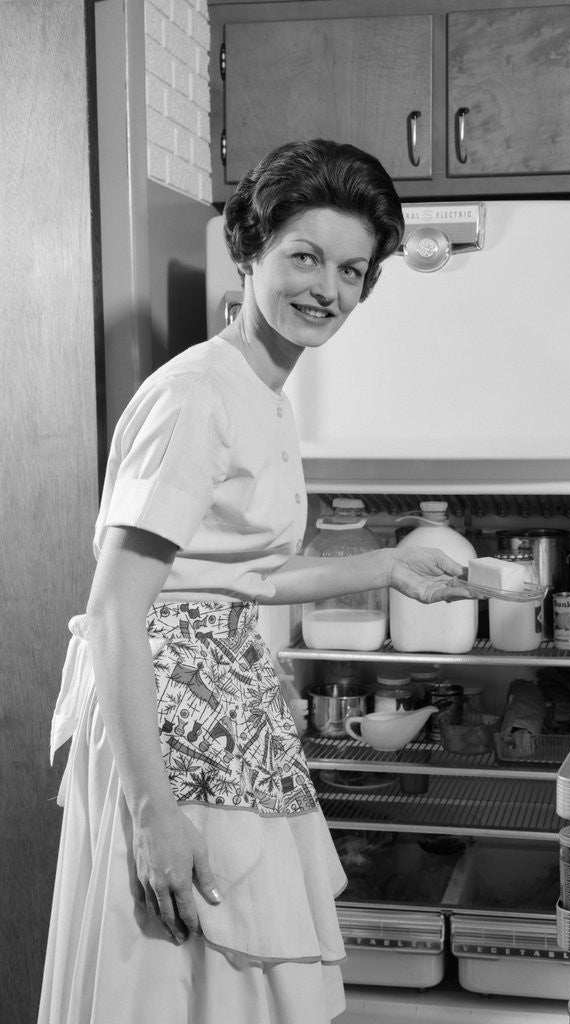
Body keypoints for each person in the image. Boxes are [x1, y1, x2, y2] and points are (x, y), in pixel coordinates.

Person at [39, 139, 469, 1024]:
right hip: (164, 722)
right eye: (303, 257)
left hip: (221, 705)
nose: (328, 289)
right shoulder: (197, 396)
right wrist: (153, 815)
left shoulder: (263, 391)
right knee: (178, 974)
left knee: (232, 982)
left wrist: (386, 564)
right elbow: (117, 613)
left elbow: (244, 580)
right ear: (249, 253)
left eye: (351, 271)